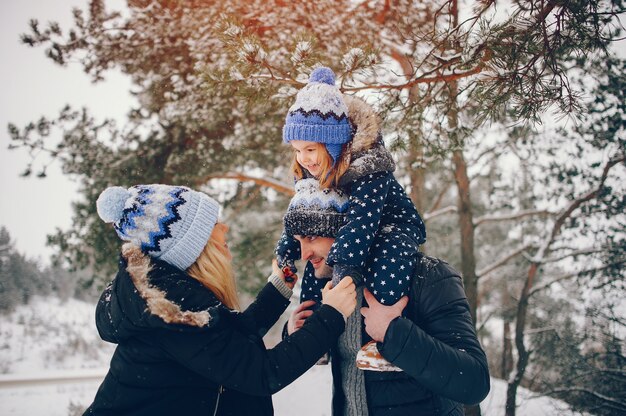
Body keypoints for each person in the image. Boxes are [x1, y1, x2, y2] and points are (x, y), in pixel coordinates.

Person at [83, 184, 356, 416]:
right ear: (193, 246)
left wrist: (276, 292)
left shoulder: (173, 301)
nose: (224, 228)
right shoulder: (173, 314)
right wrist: (331, 314)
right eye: (213, 225)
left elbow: (226, 344)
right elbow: (262, 373)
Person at [283, 179, 490, 416]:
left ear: (344, 232)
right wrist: (297, 334)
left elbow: (475, 382)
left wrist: (393, 332)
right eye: (298, 241)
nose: (303, 254)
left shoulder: (427, 277)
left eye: (311, 238)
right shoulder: (330, 289)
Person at [276, 66, 427, 368]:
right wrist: (287, 254)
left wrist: (342, 269)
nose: (303, 158)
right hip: (351, 229)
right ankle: (314, 335)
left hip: (391, 226)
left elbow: (363, 222)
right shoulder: (312, 169)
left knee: (387, 258)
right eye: (296, 150)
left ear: (333, 143)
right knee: (316, 272)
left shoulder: (371, 167)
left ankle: (382, 340)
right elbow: (303, 217)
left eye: (310, 148)